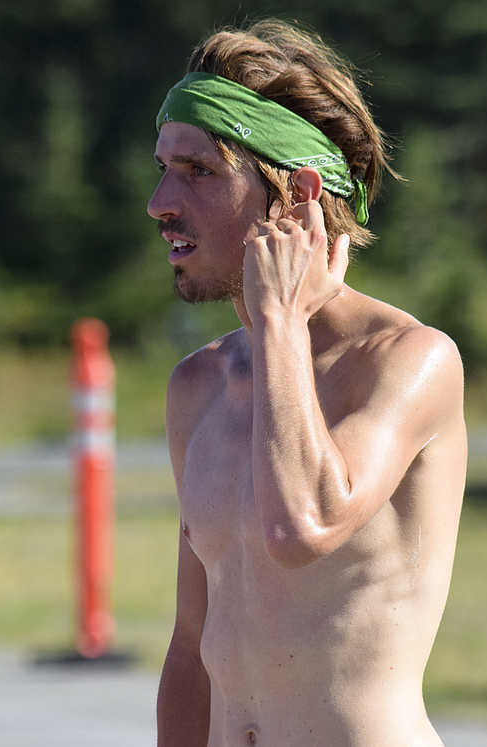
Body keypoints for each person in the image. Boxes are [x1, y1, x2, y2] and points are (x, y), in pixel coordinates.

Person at [149, 19, 467, 747]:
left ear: (297, 192)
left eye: (199, 170)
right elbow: (193, 648)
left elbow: (301, 525)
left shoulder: (410, 360)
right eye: (163, 166)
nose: (160, 201)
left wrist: (278, 319)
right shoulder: (195, 387)